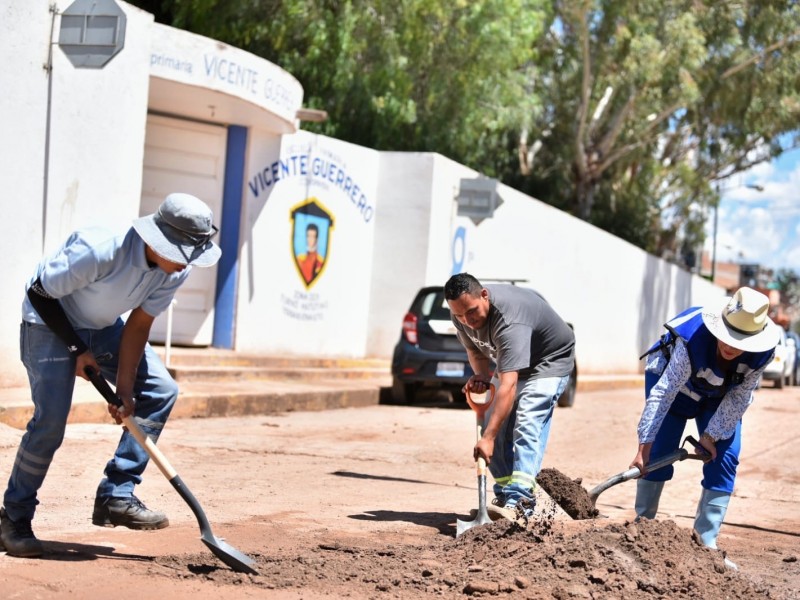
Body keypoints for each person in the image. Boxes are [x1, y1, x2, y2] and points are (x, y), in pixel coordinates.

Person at [0, 193, 221, 558]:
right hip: (48, 323)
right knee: (51, 423)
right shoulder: (102, 248)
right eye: (182, 254)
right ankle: (14, 518)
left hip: (103, 327)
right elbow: (39, 293)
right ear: (158, 241)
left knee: (161, 390)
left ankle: (116, 495)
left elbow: (138, 325)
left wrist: (127, 389)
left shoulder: (174, 269)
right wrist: (75, 349)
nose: (187, 265)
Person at [631, 286, 779, 564]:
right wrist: (644, 445)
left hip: (718, 396)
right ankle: (643, 530)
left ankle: (706, 543)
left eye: (741, 340)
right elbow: (665, 392)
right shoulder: (694, 339)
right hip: (674, 389)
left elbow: (740, 396)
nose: (731, 345)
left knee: (725, 456)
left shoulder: (763, 353)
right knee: (658, 454)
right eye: (728, 336)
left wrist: (711, 436)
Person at [444, 273, 575, 520]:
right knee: (495, 426)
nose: (466, 320)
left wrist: (489, 437)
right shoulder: (460, 312)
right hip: (512, 364)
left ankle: (521, 499)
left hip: (548, 360)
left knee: (526, 422)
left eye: (471, 312)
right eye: (460, 315)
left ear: (484, 295)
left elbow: (509, 385)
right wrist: (482, 375)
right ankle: (505, 493)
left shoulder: (509, 320)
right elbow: (475, 350)